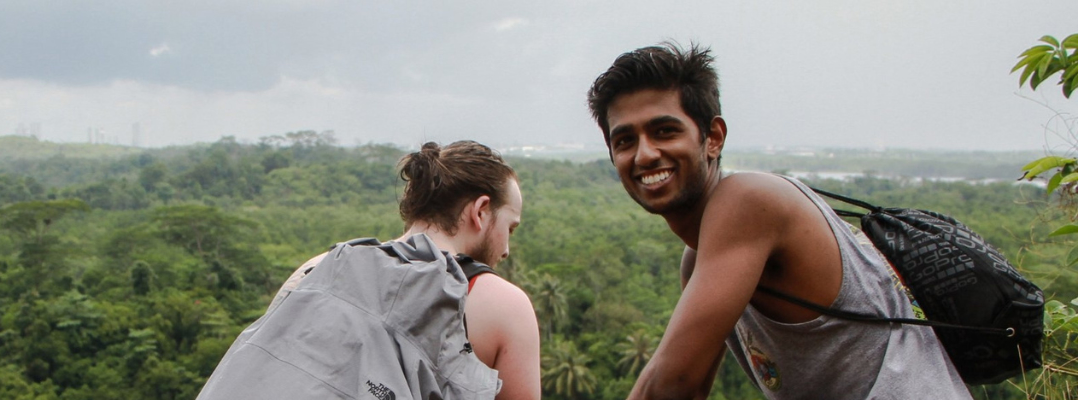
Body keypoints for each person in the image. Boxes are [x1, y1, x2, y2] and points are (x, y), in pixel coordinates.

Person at [585, 43, 970, 399]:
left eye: (664, 131)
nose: (646, 154)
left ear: (713, 137)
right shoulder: (699, 258)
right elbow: (691, 386)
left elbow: (673, 382)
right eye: (625, 141)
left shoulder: (747, 202)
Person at [266, 140, 542, 400]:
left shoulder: (317, 269)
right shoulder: (504, 305)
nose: (506, 249)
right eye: (510, 228)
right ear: (480, 211)